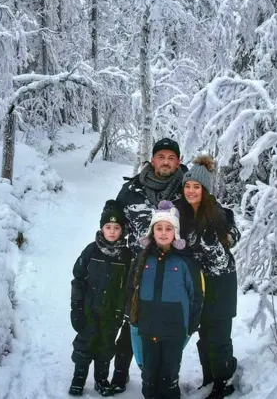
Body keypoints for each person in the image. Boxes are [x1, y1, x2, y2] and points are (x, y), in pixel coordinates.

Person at [110, 138, 186, 392]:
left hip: (172, 267)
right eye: (161, 157)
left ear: (178, 162)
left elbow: (208, 212)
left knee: (170, 322)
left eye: (171, 158)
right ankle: (120, 374)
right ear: (152, 160)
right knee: (130, 320)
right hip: (135, 267)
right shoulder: (132, 189)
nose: (165, 162)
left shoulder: (186, 190)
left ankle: (165, 374)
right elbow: (114, 218)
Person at [178, 156, 241, 399]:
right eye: (187, 186)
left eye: (196, 187)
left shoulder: (221, 214)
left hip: (221, 284)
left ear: (205, 190)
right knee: (204, 336)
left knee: (218, 336)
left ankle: (223, 382)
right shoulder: (179, 213)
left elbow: (233, 238)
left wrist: (218, 241)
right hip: (195, 286)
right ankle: (209, 378)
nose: (191, 191)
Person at [127, 201, 204, 399]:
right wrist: (132, 315)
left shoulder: (185, 261)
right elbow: (130, 289)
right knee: (149, 373)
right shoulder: (142, 259)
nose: (163, 233)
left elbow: (196, 294)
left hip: (174, 329)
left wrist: (193, 321)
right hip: (148, 326)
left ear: (175, 232)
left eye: (168, 228)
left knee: (169, 372)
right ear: (152, 231)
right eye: (159, 228)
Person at [69, 200, 132, 397]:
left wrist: (123, 310)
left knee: (106, 346)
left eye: (116, 227)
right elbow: (78, 279)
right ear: (101, 228)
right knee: (84, 344)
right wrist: (76, 308)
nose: (112, 231)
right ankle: (78, 378)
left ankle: (101, 379)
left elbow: (129, 287)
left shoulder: (126, 255)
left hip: (112, 313)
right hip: (89, 310)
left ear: (122, 230)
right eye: (108, 227)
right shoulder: (91, 250)